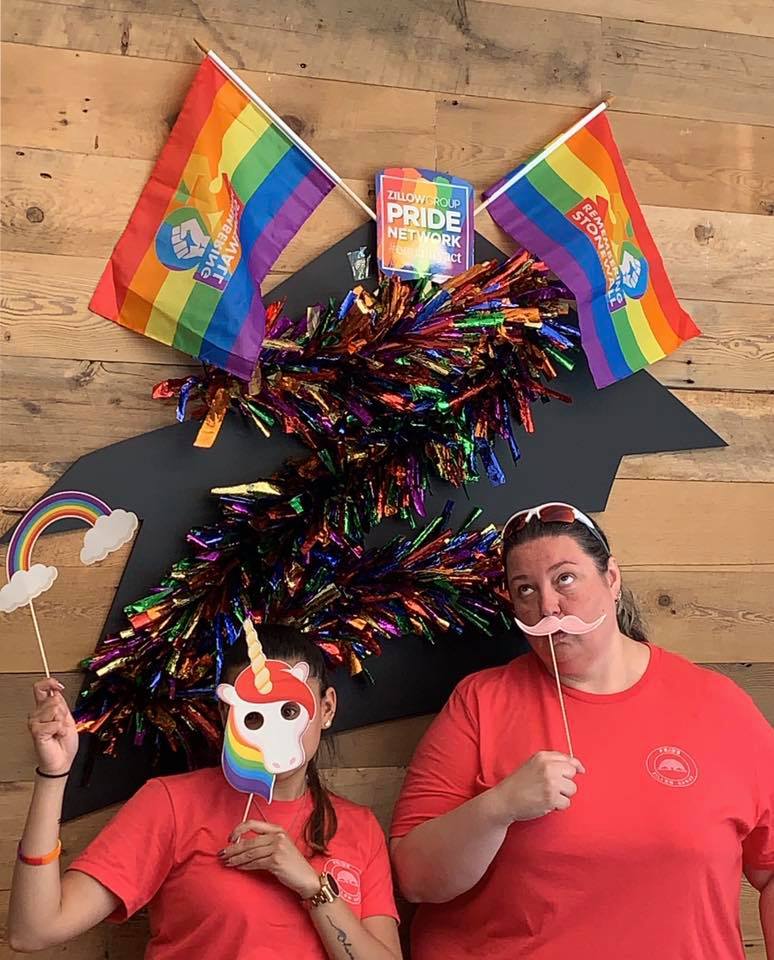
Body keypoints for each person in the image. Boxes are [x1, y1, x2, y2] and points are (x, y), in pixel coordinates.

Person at [390, 501, 774, 959]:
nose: (547, 605)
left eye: (564, 578)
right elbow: (415, 878)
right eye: (525, 589)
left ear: (611, 579)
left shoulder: (719, 705)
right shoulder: (480, 703)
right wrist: (501, 806)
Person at [9, 624, 402, 960]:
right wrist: (53, 775)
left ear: (326, 708)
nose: (275, 729)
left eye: (288, 711)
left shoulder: (358, 828)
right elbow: (35, 930)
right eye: (253, 713)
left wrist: (313, 887)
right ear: (227, 715)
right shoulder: (172, 804)